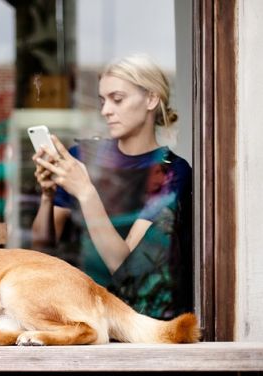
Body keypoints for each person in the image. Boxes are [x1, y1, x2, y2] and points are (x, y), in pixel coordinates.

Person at [31, 54, 193, 319]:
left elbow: (124, 264)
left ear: (151, 99)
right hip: (79, 312)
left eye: (117, 99)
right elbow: (41, 246)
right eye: (103, 100)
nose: (106, 110)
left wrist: (85, 192)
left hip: (141, 319)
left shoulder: (171, 172)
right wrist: (48, 196)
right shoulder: (82, 157)